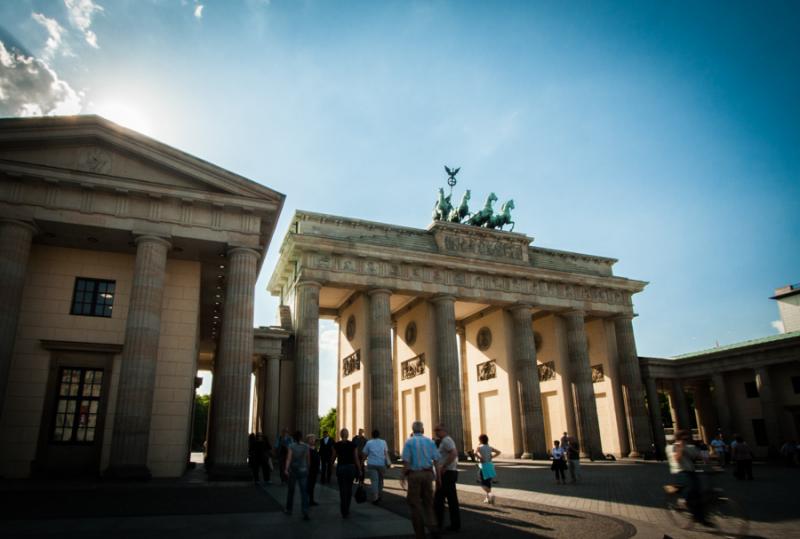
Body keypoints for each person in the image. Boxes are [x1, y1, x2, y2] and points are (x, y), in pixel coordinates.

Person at [401, 421, 440, 539]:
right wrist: (438, 478)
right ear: (422, 430)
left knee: (415, 504)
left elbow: (406, 462)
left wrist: (403, 475)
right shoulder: (430, 441)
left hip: (414, 475)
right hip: (428, 474)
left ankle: (420, 534)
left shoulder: (409, 442)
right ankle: (433, 526)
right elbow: (437, 460)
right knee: (428, 503)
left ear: (412, 430)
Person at [667, 429, 709, 527]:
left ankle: (701, 517)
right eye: (684, 437)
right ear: (678, 438)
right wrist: (680, 447)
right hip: (680, 472)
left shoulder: (690, 447)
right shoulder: (673, 447)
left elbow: (702, 455)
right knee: (691, 492)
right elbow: (677, 459)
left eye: (686, 437)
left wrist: (710, 456)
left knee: (699, 493)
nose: (686, 439)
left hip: (691, 472)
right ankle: (685, 502)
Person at [433, 424, 460, 532]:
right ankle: (454, 524)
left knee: (439, 500)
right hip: (448, 473)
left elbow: (454, 453)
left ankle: (439, 525)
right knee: (451, 500)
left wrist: (444, 466)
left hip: (447, 474)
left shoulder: (446, 440)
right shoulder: (445, 441)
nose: (436, 432)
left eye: (438, 430)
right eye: (435, 430)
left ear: (444, 430)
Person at [332, 428, 361, 518]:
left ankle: (343, 510)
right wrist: (359, 469)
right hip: (350, 468)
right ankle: (347, 509)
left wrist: (331, 467)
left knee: (342, 490)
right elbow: (356, 458)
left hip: (341, 468)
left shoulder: (336, 445)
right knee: (349, 489)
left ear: (341, 435)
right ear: (347, 435)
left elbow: (333, 457)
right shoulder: (353, 445)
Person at [284, 430, 310, 520]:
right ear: (301, 437)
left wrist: (286, 469)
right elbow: (308, 459)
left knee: (291, 491)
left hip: (293, 470)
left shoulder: (291, 446)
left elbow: (288, 459)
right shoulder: (306, 446)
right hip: (303, 470)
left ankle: (289, 509)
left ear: (294, 438)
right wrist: (308, 469)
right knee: (304, 492)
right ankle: (305, 511)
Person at [362, 429, 390, 503]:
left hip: (372, 464)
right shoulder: (383, 442)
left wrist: (362, 462)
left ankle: (375, 497)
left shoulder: (369, 443)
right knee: (380, 480)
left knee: (374, 481)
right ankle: (380, 494)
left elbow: (365, 454)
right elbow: (386, 453)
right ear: (379, 435)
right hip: (381, 464)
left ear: (372, 435)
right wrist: (388, 462)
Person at [476, 434, 500, 504]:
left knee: (482, 482)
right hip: (490, 465)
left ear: (480, 440)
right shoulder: (490, 447)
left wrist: (481, 458)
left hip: (483, 466)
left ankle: (490, 494)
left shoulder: (479, 447)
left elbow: (475, 453)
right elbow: (498, 452)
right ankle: (488, 498)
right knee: (488, 482)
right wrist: (492, 457)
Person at [307, 434, 320, 506]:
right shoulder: (307, 448)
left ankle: (311, 500)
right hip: (309, 470)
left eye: (314, 439)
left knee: (312, 486)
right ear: (308, 440)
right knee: (309, 485)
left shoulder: (314, 448)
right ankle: (308, 500)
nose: (314, 440)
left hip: (315, 470)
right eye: (312, 439)